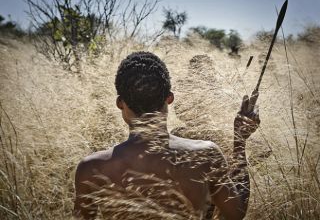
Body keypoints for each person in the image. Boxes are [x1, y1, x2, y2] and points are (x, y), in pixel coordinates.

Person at [74, 52, 260, 219]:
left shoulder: (91, 168)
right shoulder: (206, 154)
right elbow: (236, 213)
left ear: (120, 103)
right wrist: (240, 141)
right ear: (169, 98)